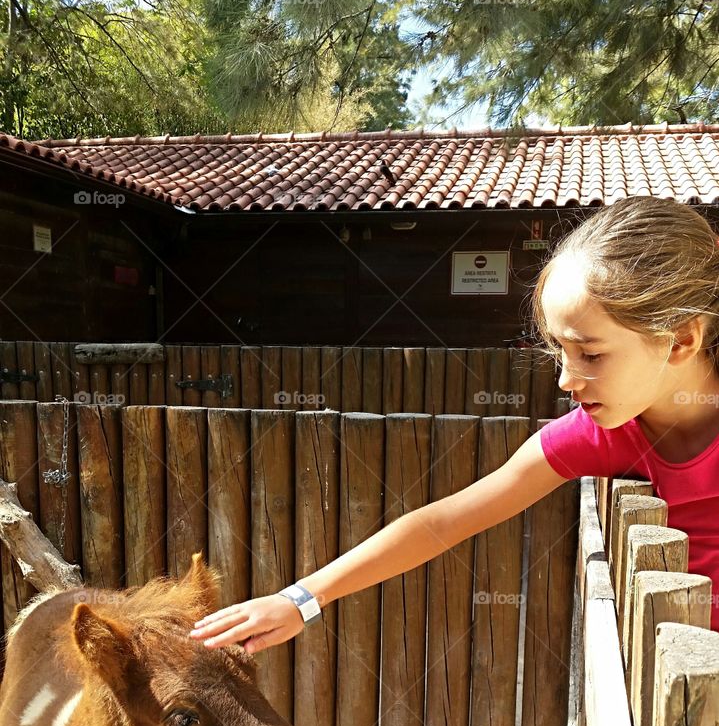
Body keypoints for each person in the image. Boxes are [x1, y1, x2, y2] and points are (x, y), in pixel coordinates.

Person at [189, 196, 719, 652]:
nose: (565, 380)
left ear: (681, 340)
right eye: (560, 350)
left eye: (591, 354)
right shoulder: (599, 433)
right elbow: (444, 520)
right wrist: (299, 599)